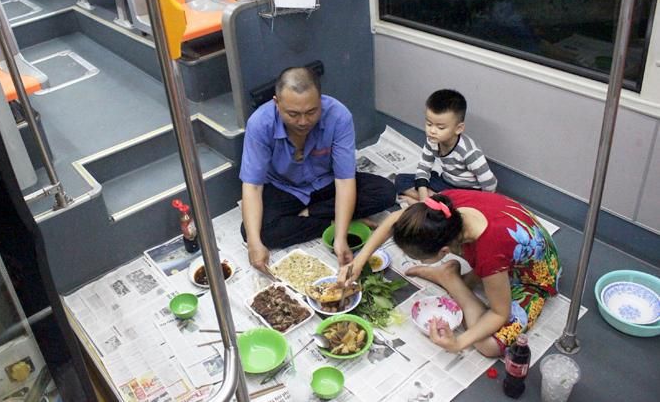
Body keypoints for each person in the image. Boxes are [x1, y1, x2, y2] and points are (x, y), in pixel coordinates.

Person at [339, 191, 560, 357]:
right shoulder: (441, 209)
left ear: (444, 252)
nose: (418, 260)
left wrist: (458, 343)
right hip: (504, 245)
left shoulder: (489, 250)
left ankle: (450, 278)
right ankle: (458, 276)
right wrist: (359, 260)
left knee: (488, 346)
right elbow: (395, 219)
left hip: (531, 277)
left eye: (420, 257)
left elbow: (499, 314)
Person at [240, 67, 395, 272]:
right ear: (277, 103)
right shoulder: (260, 123)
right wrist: (254, 244)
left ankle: (315, 216)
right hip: (285, 187)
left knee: (385, 191)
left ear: (320, 100)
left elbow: (344, 180)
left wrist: (340, 237)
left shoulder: (338, 116)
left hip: (327, 183)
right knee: (255, 231)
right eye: (293, 114)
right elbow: (253, 186)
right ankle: (331, 221)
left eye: (311, 112)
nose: (303, 122)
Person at [395, 90, 497, 202]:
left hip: (466, 190)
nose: (432, 131)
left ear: (458, 128)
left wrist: (481, 203)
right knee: (401, 180)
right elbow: (423, 168)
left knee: (465, 203)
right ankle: (437, 201)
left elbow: (490, 183)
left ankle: (440, 201)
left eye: (440, 128)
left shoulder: (469, 152)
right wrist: (424, 199)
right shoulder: (432, 140)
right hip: (445, 182)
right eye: (429, 124)